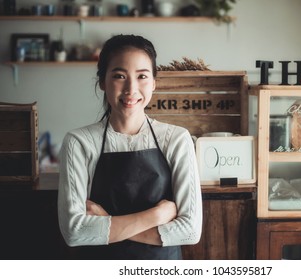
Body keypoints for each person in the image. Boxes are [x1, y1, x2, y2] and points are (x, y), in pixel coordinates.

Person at [58, 34, 203, 260]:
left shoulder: (177, 139)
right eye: (119, 76)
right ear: (102, 82)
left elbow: (190, 232)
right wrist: (157, 215)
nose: (131, 89)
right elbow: (75, 232)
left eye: (142, 76)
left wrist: (105, 219)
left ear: (154, 83)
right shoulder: (79, 142)